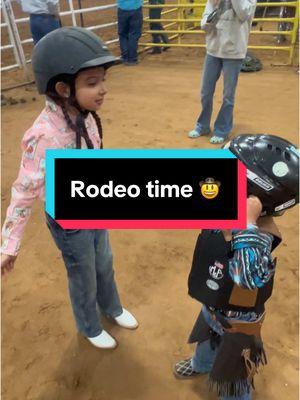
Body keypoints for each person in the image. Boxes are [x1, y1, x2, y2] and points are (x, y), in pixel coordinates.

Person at [1, 27, 139, 349]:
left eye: (103, 80)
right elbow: (23, 189)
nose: (103, 89)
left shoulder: (86, 115)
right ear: (63, 88)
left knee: (104, 262)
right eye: (92, 83)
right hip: (69, 223)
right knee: (83, 273)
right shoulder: (43, 135)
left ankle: (112, 307)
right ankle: (89, 326)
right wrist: (9, 243)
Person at [174, 134, 299, 400]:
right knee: (206, 341)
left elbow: (248, 277)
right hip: (213, 302)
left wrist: (246, 223)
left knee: (235, 373)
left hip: (238, 323)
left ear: (255, 195)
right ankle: (201, 365)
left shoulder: (258, 235)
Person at [188, 0, 257, 144]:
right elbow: (204, 21)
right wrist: (209, 19)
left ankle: (222, 129)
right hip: (213, 49)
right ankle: (203, 125)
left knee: (228, 95)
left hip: (234, 51)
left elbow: (244, 14)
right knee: (205, 92)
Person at [117, 0, 143, 65]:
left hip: (122, 9)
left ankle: (125, 57)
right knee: (134, 34)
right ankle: (132, 58)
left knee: (123, 34)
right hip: (135, 9)